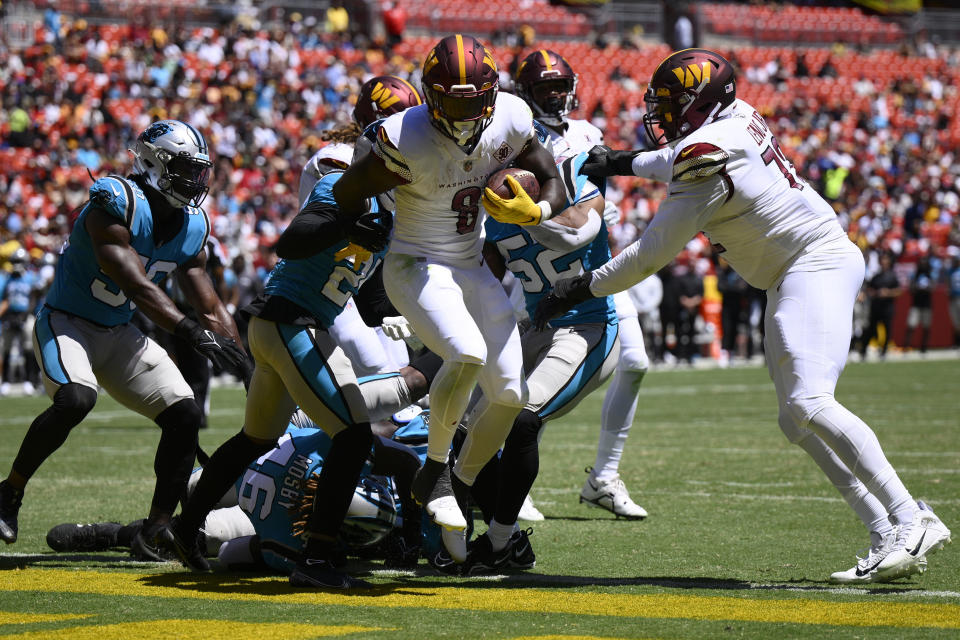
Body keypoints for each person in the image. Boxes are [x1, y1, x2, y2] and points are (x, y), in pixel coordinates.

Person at [535, 48, 951, 584]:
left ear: (701, 102)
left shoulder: (708, 152)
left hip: (813, 262)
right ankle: (883, 528)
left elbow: (651, 255)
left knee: (809, 401)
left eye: (670, 104)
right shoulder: (733, 119)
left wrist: (577, 289)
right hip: (792, 271)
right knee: (794, 419)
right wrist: (623, 163)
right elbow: (674, 156)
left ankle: (911, 517)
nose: (660, 114)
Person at [331, 34, 567, 554]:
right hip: (416, 262)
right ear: (430, 96)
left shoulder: (510, 116)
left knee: (510, 394)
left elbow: (554, 180)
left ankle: (458, 482)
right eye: (452, 101)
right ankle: (434, 472)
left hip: (469, 264)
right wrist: (370, 206)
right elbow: (345, 195)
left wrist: (537, 212)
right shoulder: (402, 136)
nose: (463, 114)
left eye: (472, 101)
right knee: (466, 352)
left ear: (492, 94)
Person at [0, 120, 252, 555]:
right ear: (154, 163)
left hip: (118, 331)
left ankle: (156, 528)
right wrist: (192, 333)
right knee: (77, 399)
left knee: (186, 413)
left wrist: (245, 361)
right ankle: (10, 491)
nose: (194, 181)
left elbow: (209, 304)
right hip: (67, 321)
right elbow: (135, 284)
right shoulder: (115, 202)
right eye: (185, 169)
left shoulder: (192, 224)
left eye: (199, 171)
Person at [153, 168, 394, 590]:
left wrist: (406, 317)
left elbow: (369, 299)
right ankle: (315, 559)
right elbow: (294, 240)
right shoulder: (344, 190)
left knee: (257, 438)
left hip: (282, 325)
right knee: (354, 437)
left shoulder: (396, 215)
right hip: (292, 322)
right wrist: (347, 223)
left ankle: (185, 527)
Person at [460, 147, 622, 573]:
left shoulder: (571, 174)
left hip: (587, 326)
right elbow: (484, 278)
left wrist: (530, 214)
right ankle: (506, 539)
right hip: (535, 326)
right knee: (460, 429)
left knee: (522, 418)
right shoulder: (486, 200)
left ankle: (496, 540)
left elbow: (578, 233)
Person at [514, 49, 648, 518]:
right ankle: (514, 475)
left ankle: (604, 477)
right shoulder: (518, 137)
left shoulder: (587, 131)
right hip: (538, 264)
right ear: (526, 92)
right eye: (544, 87)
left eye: (559, 85)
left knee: (635, 361)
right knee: (537, 371)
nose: (554, 94)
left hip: (593, 258)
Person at [299, 75, 422, 378]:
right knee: (378, 370)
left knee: (401, 377)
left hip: (363, 281)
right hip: (327, 280)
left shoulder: (392, 164)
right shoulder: (336, 158)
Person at [859, 251, 901, 359]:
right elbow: (869, 289)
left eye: (885, 259)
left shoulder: (893, 276)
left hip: (887, 307)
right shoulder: (876, 276)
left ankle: (884, 352)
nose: (883, 262)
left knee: (887, 329)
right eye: (882, 260)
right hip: (876, 307)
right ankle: (863, 351)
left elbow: (899, 291)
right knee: (871, 329)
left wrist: (888, 293)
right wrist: (875, 293)